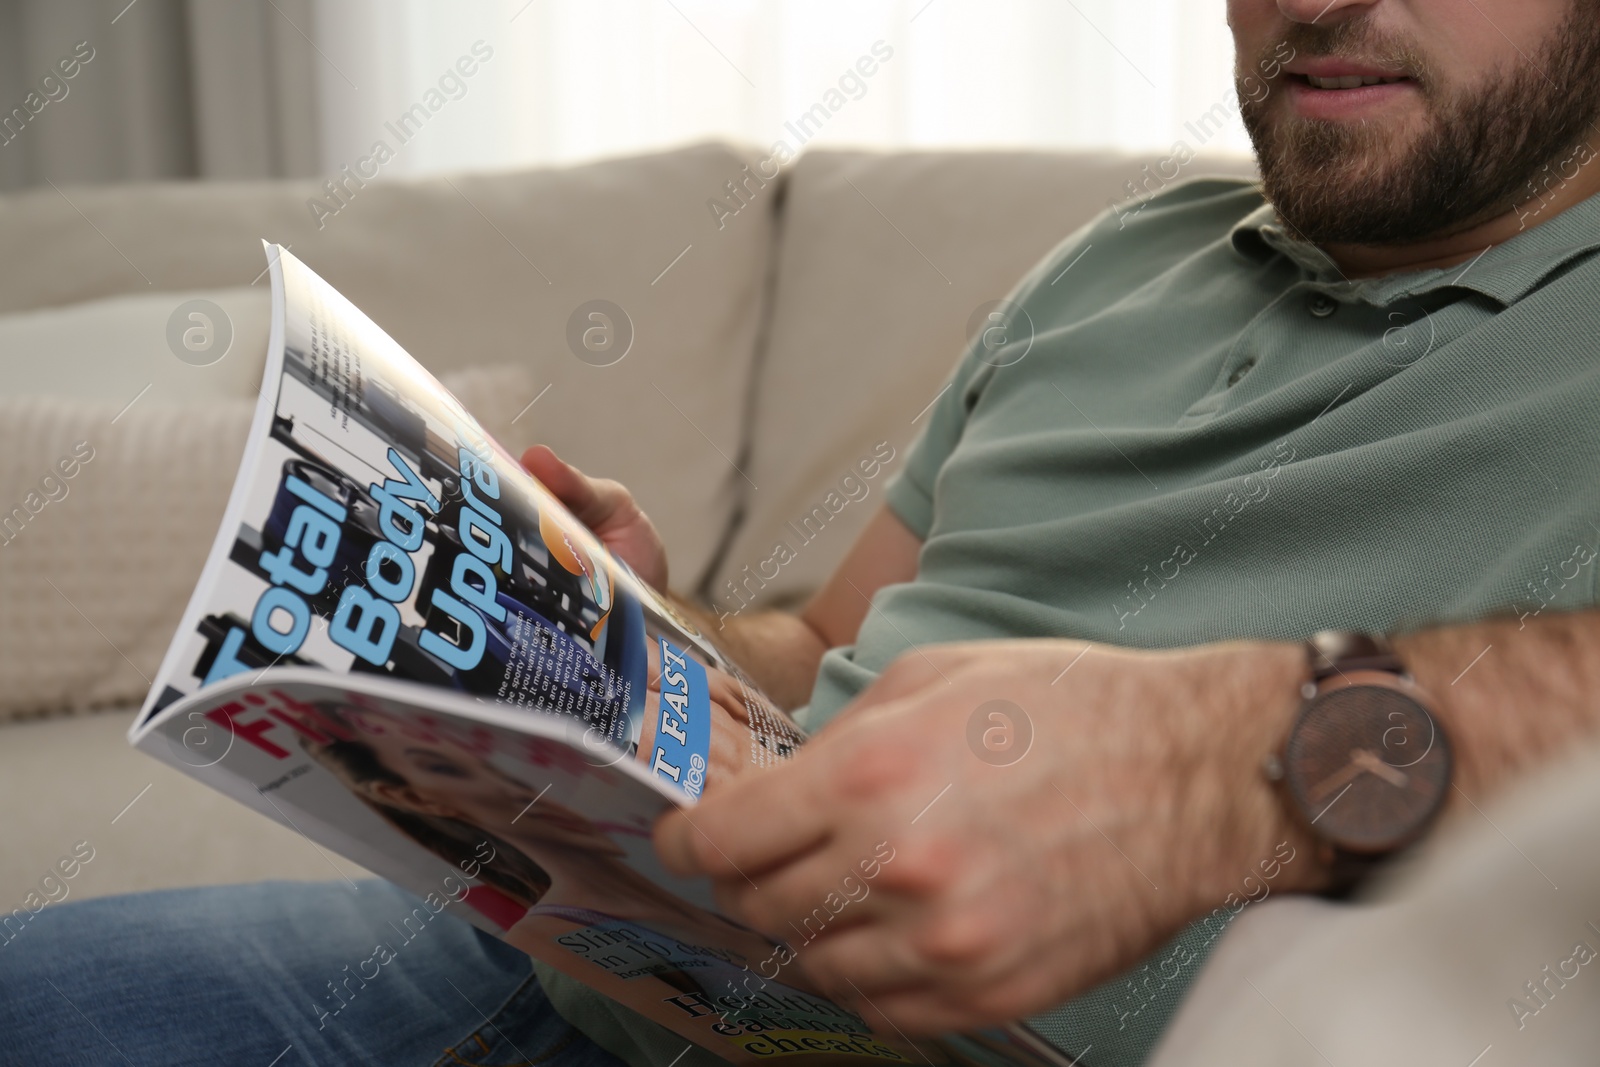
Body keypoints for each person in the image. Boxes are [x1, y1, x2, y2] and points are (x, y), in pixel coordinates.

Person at [7, 1, 1600, 1065]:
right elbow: (820, 649)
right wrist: (626, 615)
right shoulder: (1124, 262)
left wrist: (1234, 754)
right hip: (587, 981)